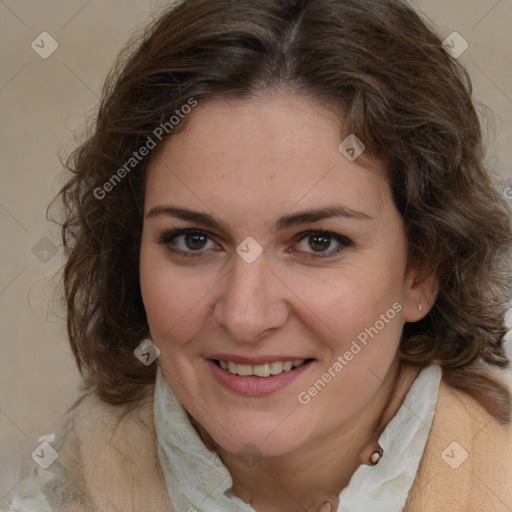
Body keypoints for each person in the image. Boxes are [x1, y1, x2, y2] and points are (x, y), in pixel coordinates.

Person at [3, 0, 512, 510]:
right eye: (193, 240)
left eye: (318, 241)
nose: (245, 317)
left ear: (421, 271)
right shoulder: (57, 491)